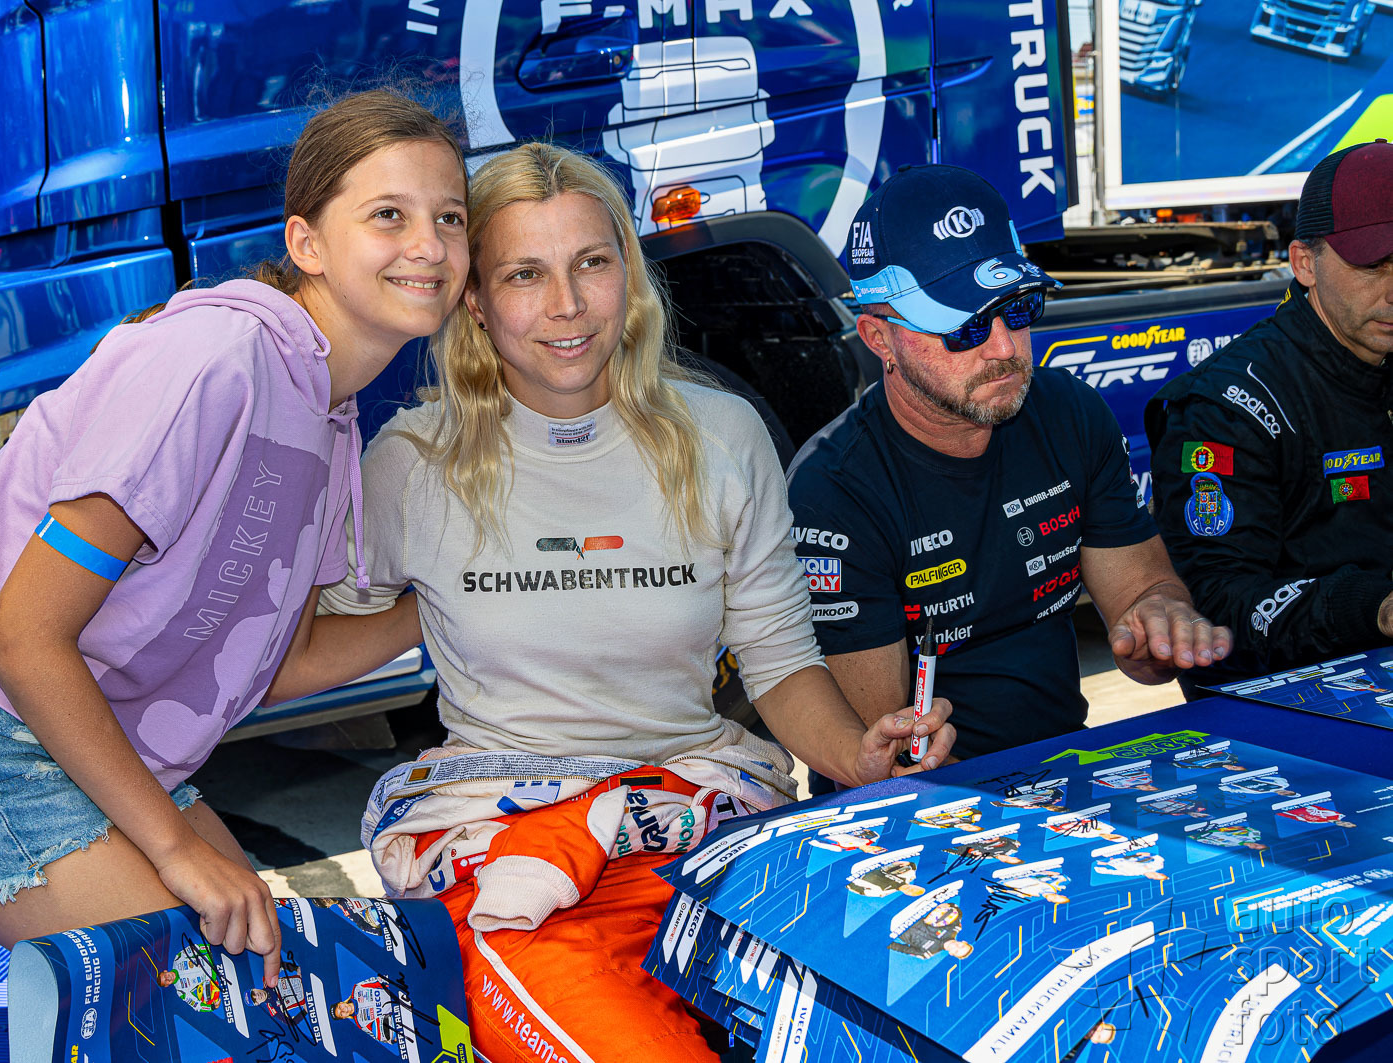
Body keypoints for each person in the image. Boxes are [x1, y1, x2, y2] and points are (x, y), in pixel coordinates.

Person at [326, 143, 955, 1063]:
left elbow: (781, 662)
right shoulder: (414, 461)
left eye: (591, 262)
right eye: (524, 274)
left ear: (630, 273)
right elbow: (298, 643)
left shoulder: (722, 434)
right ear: (475, 300)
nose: (567, 305)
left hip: (701, 820)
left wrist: (856, 754)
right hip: (506, 854)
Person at [0, 90, 469, 982]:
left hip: (92, 736)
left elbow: (281, 661)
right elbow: (22, 639)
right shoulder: (216, 359)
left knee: (270, 976)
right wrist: (176, 848)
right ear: (306, 243)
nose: (429, 245)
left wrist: (454, 601)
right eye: (389, 215)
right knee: (206, 988)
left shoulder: (330, 418)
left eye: (450, 218)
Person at [786, 164, 1231, 788]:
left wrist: (1161, 624)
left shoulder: (1070, 412)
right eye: (963, 325)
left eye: (1017, 309)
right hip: (926, 800)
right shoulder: (834, 490)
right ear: (880, 339)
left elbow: (1142, 609)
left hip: (1067, 768)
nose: (1003, 347)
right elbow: (885, 758)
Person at [1146, 139, 1393, 691]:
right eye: (1373, 266)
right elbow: (1217, 607)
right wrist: (1374, 608)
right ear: (1305, 263)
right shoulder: (1226, 407)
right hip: (1283, 708)